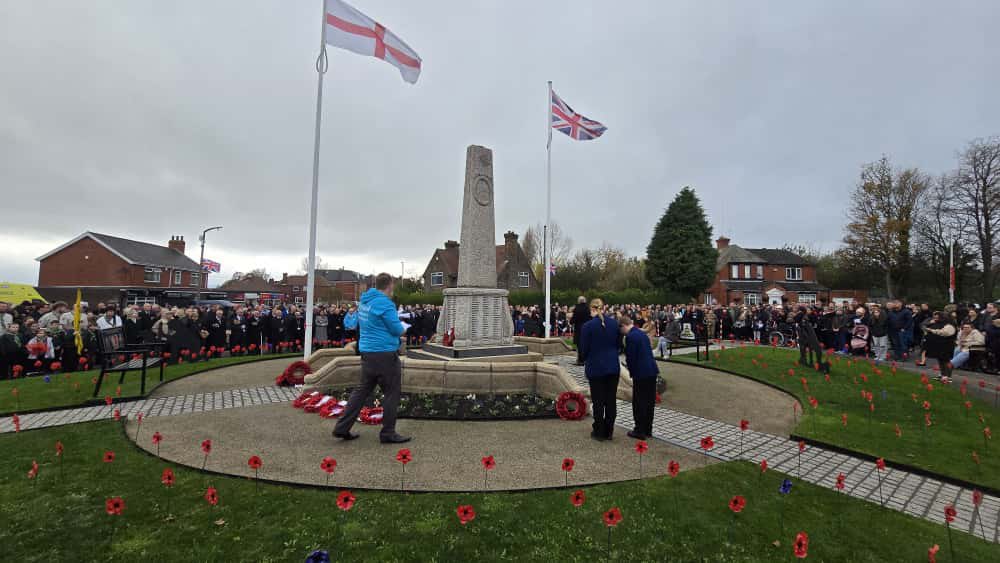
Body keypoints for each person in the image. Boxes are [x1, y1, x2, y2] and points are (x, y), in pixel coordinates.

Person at [333, 273, 409, 444]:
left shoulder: (365, 301)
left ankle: (342, 427)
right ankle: (388, 433)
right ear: (389, 286)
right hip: (384, 353)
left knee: (361, 392)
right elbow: (398, 329)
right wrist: (402, 331)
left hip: (367, 352)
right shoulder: (385, 304)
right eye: (392, 287)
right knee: (391, 393)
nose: (392, 291)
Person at [579, 298, 621, 441]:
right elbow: (619, 345)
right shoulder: (614, 324)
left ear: (592, 309)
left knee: (598, 401)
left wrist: (585, 359)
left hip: (596, 367)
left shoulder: (588, 326)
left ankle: (599, 431)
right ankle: (609, 431)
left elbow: (583, 349)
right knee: (610, 400)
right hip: (612, 366)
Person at [621, 315, 659, 440]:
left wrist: (631, 371)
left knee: (639, 402)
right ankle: (648, 429)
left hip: (641, 373)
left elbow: (631, 357)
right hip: (651, 370)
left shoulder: (631, 337)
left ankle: (639, 430)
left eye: (621, 330)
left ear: (624, 326)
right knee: (649, 402)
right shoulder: (641, 333)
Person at [922, 311, 957, 378]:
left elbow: (944, 332)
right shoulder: (942, 323)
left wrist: (931, 330)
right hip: (940, 345)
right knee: (941, 360)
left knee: (946, 361)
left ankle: (948, 376)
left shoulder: (950, 325)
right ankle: (942, 374)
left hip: (947, 345)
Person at [571, 296, 591, 365]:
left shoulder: (577, 309)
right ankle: (586, 359)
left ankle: (580, 360)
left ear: (579, 301)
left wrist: (571, 321)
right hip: (587, 328)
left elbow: (573, 319)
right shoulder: (588, 308)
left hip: (579, 328)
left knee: (579, 345)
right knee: (586, 344)